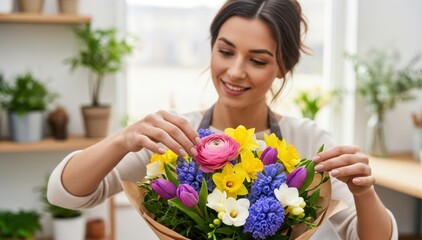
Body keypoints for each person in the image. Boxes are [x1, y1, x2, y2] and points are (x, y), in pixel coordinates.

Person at [48, 0, 398, 239]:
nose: (235, 71)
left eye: (257, 60)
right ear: (212, 46)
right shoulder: (173, 137)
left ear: (283, 67)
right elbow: (64, 194)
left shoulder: (305, 140)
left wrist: (364, 192)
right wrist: (123, 139)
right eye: (225, 51)